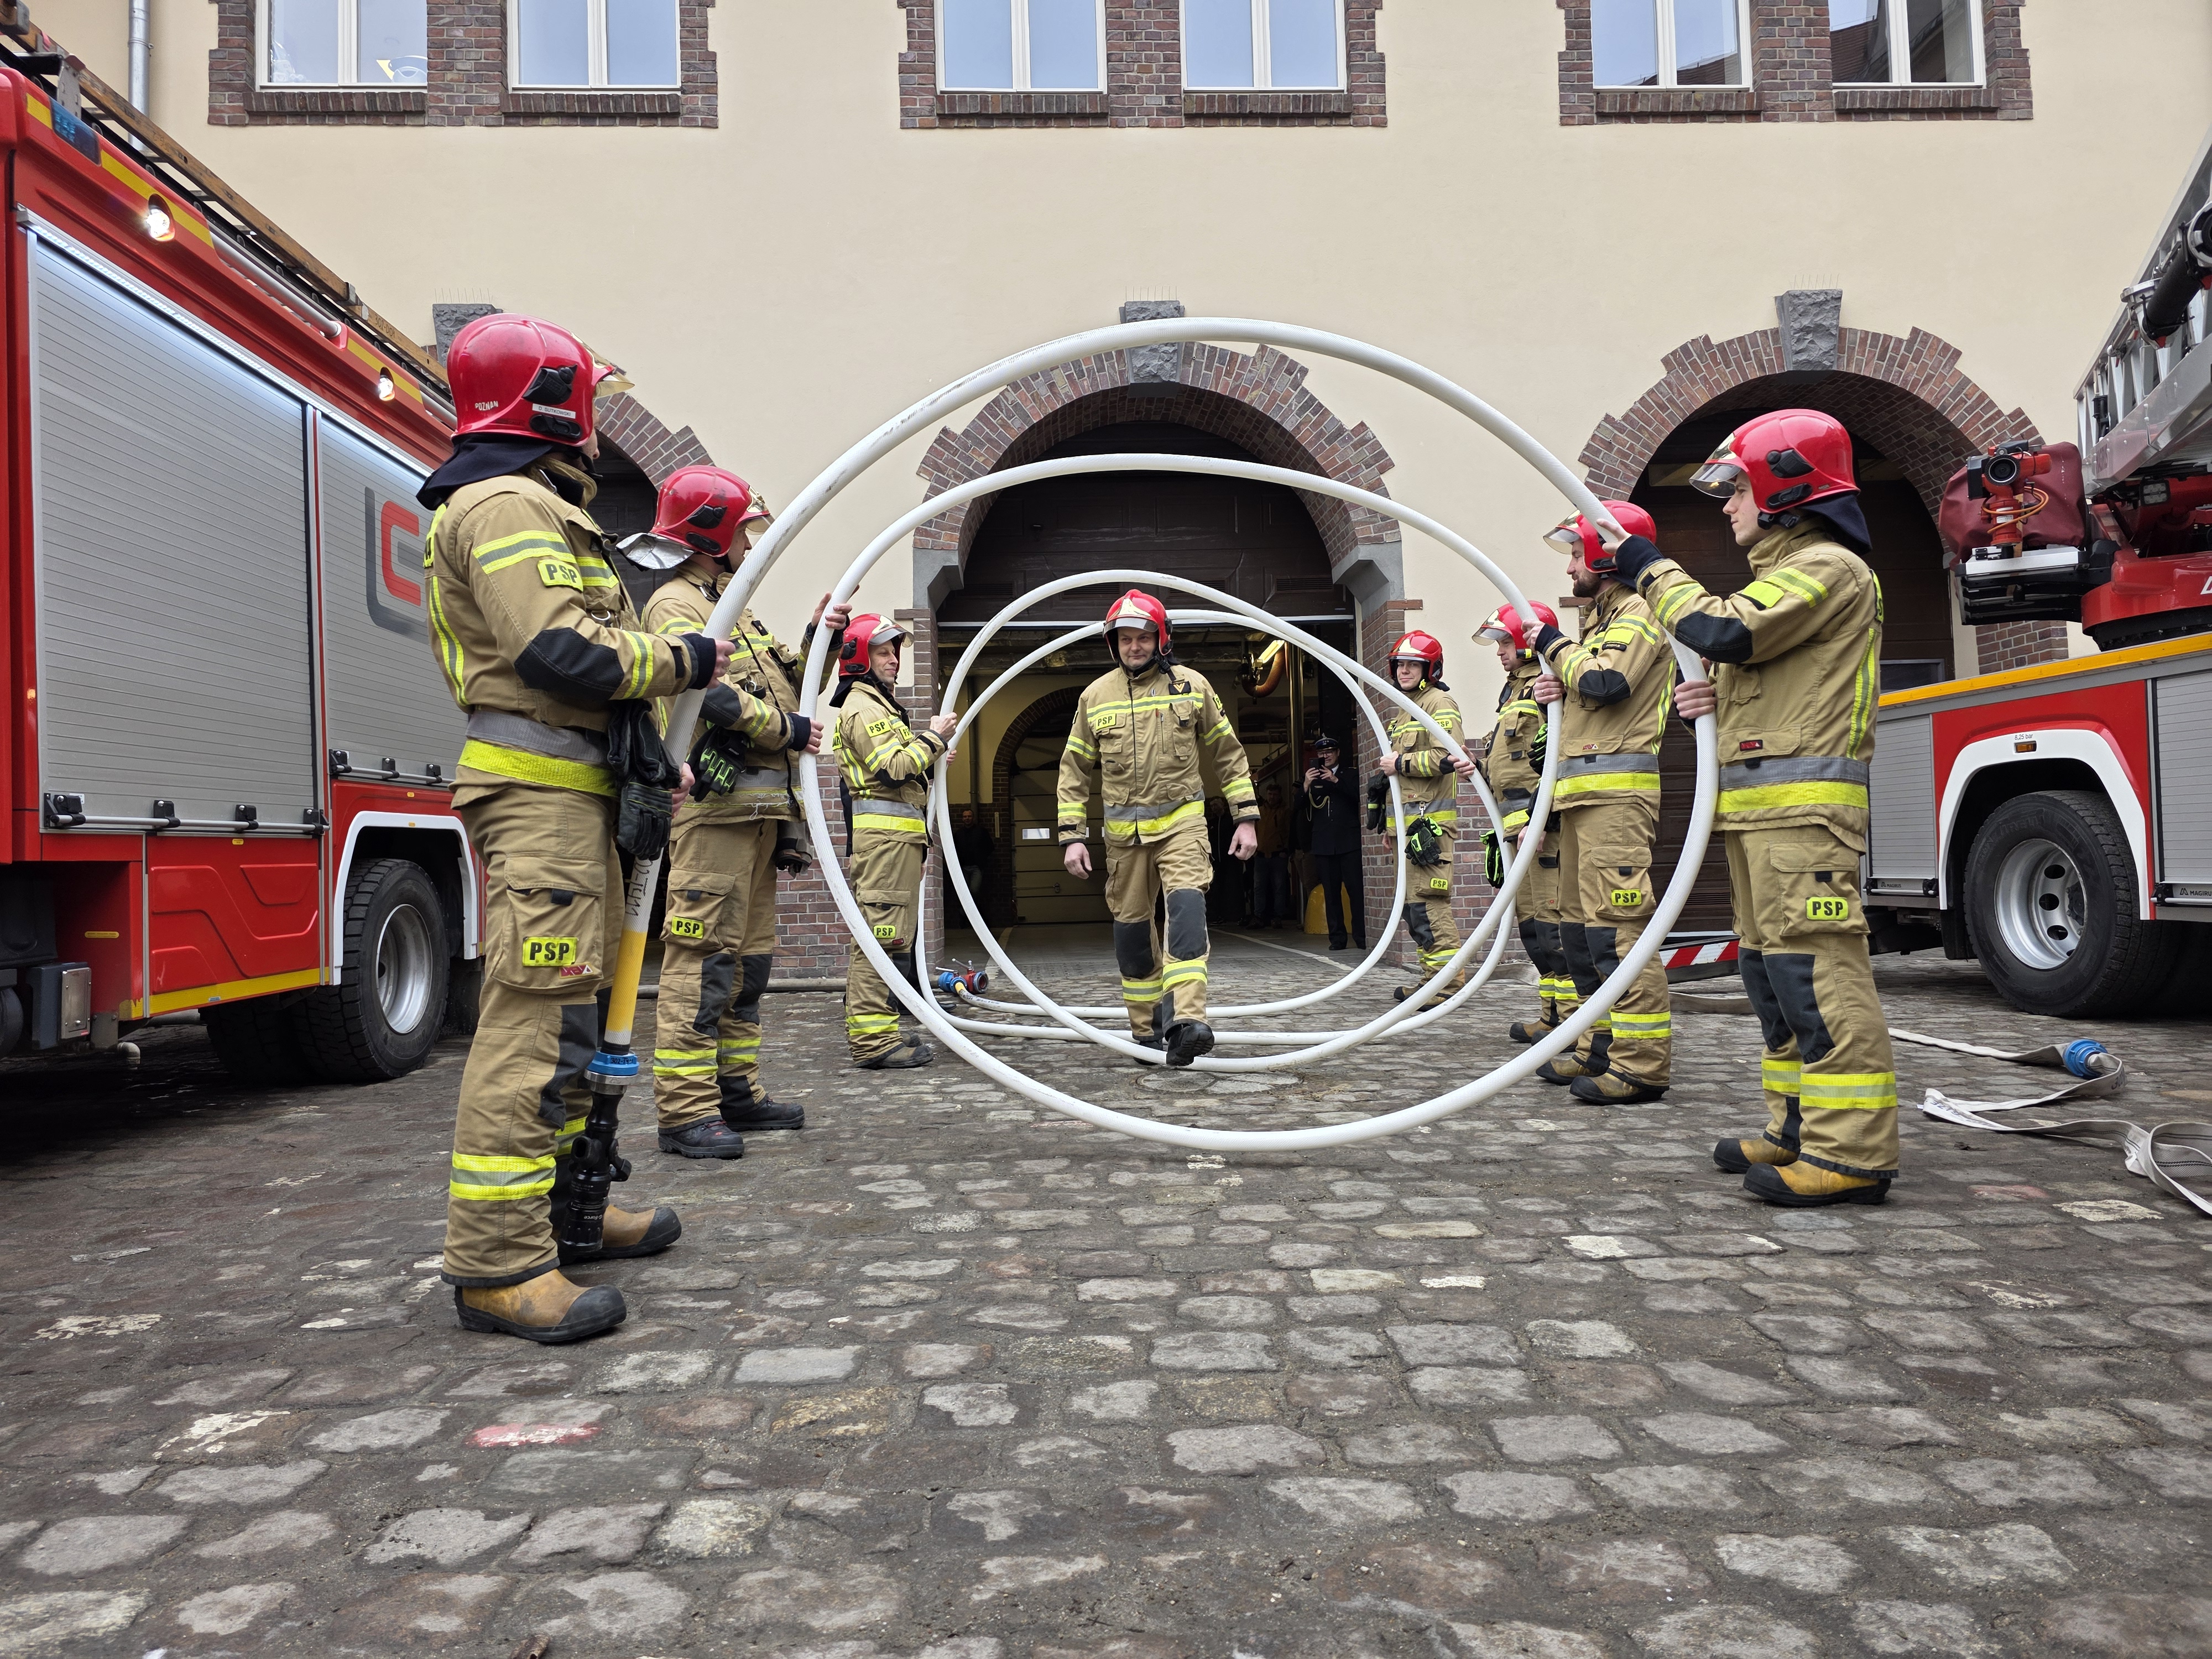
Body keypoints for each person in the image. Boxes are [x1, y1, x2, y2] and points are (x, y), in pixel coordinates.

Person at [422, 312, 733, 1343]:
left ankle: (567, 1218)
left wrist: (646, 754)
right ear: (556, 401)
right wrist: (685, 663)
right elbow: (564, 653)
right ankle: (499, 1264)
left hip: (577, 799)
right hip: (543, 805)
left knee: (572, 1026)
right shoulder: (508, 502)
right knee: (532, 1029)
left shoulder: (534, 500)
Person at [1603, 409, 1896, 1206]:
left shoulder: (1827, 568)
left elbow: (1718, 629)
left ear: (1785, 488)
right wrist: (1711, 706)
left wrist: (1648, 566)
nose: (1727, 506)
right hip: (1760, 816)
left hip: (1802, 821)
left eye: (1737, 490)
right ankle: (1797, 1127)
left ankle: (1851, 1151)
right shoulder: (1786, 577)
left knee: (1817, 975)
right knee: (1772, 977)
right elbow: (1760, 675)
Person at [627, 467, 838, 1159]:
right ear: (714, 533)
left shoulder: (734, 609)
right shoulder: (676, 605)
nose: (754, 545)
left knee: (747, 968)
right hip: (715, 820)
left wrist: (821, 636)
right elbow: (707, 693)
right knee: (702, 963)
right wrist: (784, 730)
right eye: (747, 530)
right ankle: (686, 1111)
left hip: (757, 818)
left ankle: (735, 1092)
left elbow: (785, 688)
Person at [1058, 591, 1259, 1066]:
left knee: (1186, 914)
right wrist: (1072, 838)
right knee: (1132, 933)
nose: (1134, 647)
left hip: (1182, 827)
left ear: (1161, 639)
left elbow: (1228, 755)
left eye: (1143, 637)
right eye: (1125, 639)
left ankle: (1187, 1022)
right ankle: (1146, 1030)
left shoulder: (1192, 686)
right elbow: (1073, 771)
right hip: (1123, 839)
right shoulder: (1095, 697)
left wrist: (1246, 818)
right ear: (1113, 644)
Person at [1525, 503, 1675, 1104]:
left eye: (1573, 554)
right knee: (1581, 934)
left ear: (1603, 554)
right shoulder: (1600, 623)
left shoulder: (1639, 612)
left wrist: (1553, 646)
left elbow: (1606, 683)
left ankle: (1641, 1064)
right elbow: (1588, 689)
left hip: (1616, 800)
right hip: (1582, 800)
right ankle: (1598, 1046)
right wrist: (1555, 690)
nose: (1569, 570)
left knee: (1618, 930)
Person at [832, 614, 958, 1068]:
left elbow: (904, 766)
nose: (894, 660)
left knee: (891, 938)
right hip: (885, 846)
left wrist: (932, 751)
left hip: (896, 844)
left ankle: (881, 1030)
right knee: (881, 940)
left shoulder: (880, 706)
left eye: (896, 651)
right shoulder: (865, 708)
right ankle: (873, 1042)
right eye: (883, 652)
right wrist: (934, 738)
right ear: (859, 658)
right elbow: (893, 769)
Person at [1472, 602, 1573, 1041]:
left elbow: (1559, 755)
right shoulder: (1513, 693)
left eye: (1506, 643)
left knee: (1554, 927)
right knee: (1533, 929)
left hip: (1544, 827)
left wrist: (1543, 817)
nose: (1499, 652)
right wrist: (1475, 767)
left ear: (1528, 644)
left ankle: (1573, 1021)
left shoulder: (1549, 685)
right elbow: (1511, 764)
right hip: (1519, 830)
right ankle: (1552, 1017)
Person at [1379, 630, 1464, 1003]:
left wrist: (1400, 762)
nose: (1405, 671)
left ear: (1431, 669)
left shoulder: (1439, 703)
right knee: (1415, 909)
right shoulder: (1405, 709)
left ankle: (1447, 984)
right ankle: (1432, 980)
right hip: (1409, 830)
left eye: (1414, 665)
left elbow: (1449, 758)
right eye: (1400, 665)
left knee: (1429, 905)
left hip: (1431, 828)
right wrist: (1390, 828)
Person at [1300, 733, 1365, 950]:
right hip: (1324, 844)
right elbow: (1299, 808)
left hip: (1349, 842)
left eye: (1329, 752)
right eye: (1321, 753)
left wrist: (1336, 781)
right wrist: (1306, 785)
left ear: (1337, 753)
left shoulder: (1350, 774)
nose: (1325, 756)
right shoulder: (1312, 777)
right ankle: (1337, 939)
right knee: (1331, 893)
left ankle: (1361, 937)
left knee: (1356, 891)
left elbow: (1358, 797)